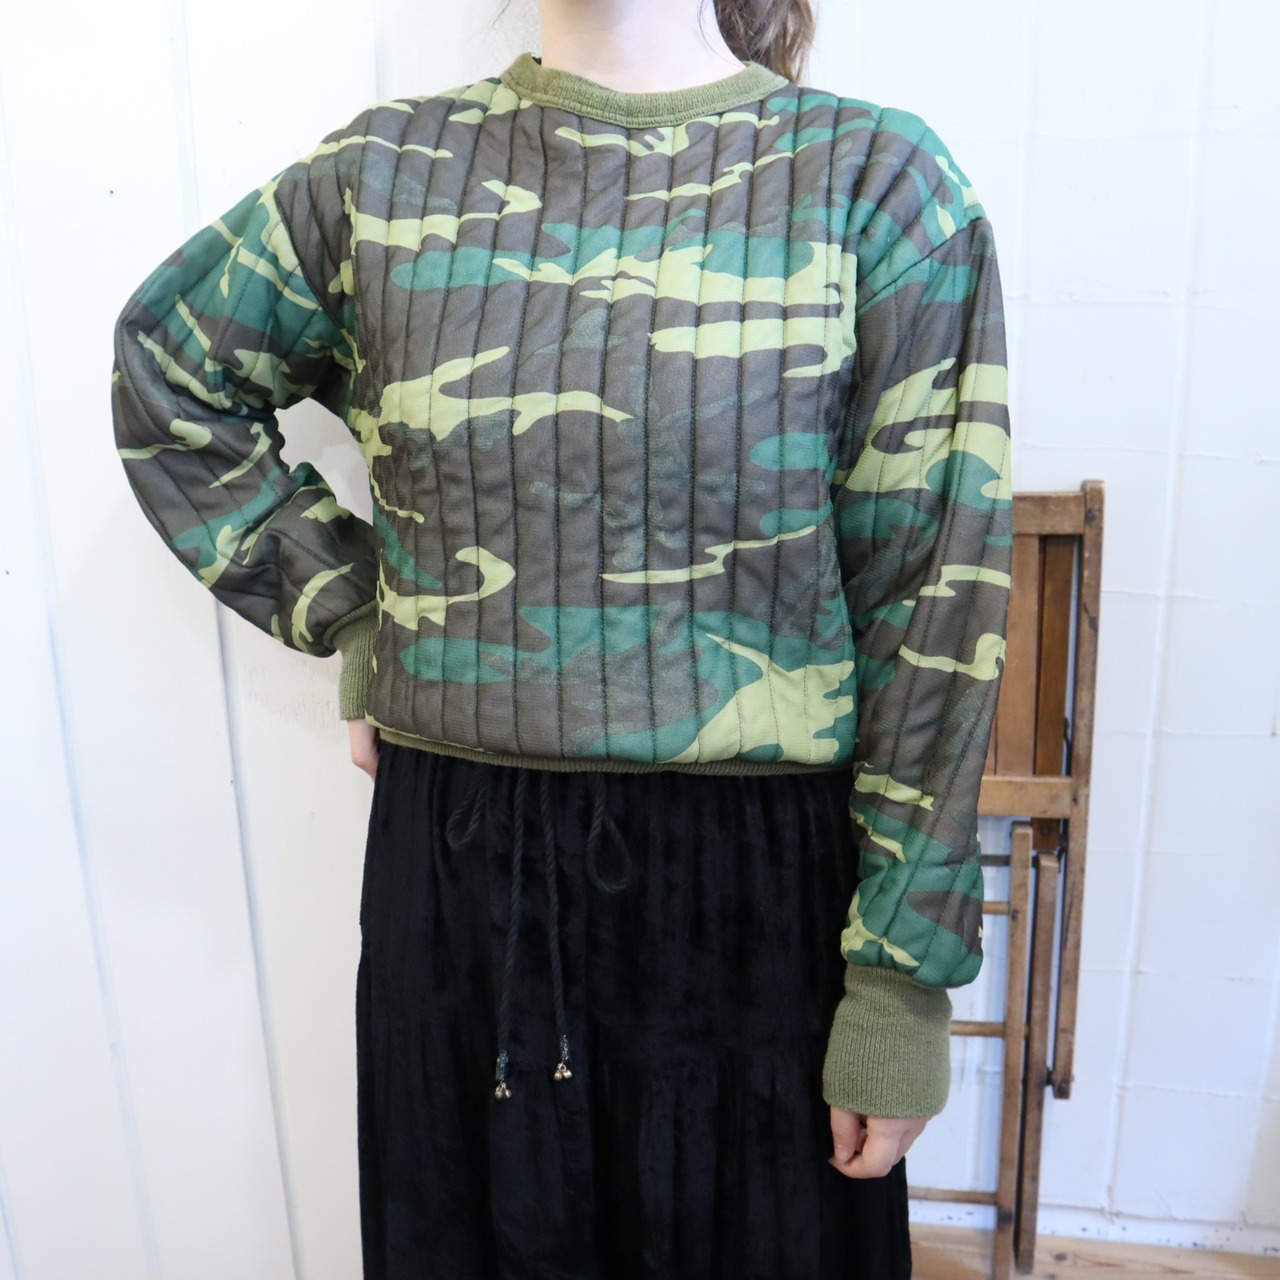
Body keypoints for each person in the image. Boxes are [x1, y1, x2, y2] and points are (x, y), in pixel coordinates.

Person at [110, 0, 1012, 1274]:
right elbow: (169, 369)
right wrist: (357, 609)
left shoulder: (876, 184)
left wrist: (901, 980)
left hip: (763, 905)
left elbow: (935, 600)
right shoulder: (381, 178)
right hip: (461, 887)